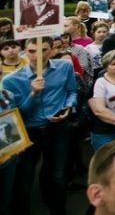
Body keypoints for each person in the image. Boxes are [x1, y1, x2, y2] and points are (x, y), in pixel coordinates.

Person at [3, 36, 77, 215]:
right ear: (25, 52)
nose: (38, 55)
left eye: (43, 50)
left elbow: (72, 91)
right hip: (30, 132)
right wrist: (33, 94)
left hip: (58, 129)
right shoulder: (11, 80)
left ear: (52, 50)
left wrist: (69, 106)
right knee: (24, 182)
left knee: (58, 178)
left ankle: (57, 210)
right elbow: (17, 115)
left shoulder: (64, 67)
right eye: (32, 51)